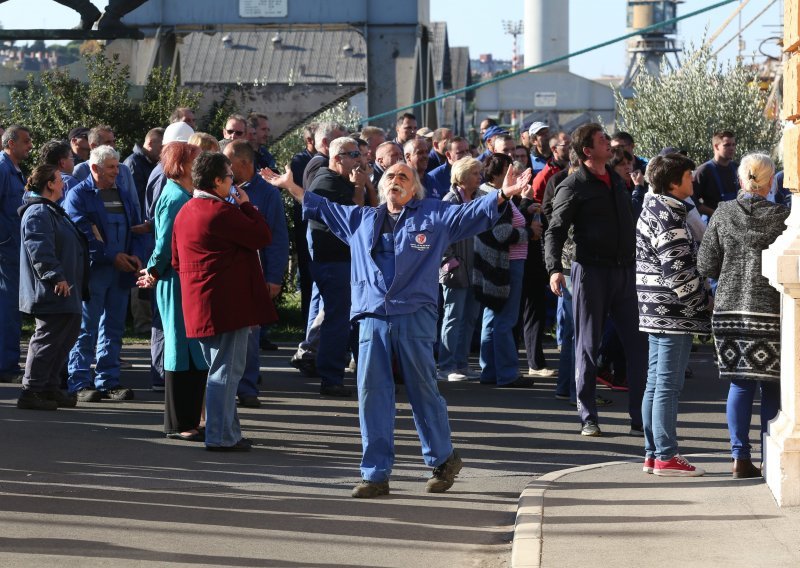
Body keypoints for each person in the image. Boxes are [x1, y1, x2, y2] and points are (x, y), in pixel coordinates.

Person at [262, 160, 531, 498]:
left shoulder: (434, 215)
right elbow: (324, 208)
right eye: (390, 176)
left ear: (414, 187)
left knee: (422, 389)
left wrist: (504, 193)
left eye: (404, 176)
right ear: (381, 184)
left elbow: (472, 213)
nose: (396, 181)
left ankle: (443, 459)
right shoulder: (361, 218)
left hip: (414, 313)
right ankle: (375, 474)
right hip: (372, 316)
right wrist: (292, 187)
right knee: (372, 393)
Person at [545, 123, 647, 437]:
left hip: (625, 272)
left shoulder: (616, 181)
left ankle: (640, 418)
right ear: (588, 150)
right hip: (590, 273)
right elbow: (555, 229)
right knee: (587, 346)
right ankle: (588, 416)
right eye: (603, 139)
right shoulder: (573, 185)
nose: (609, 143)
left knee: (638, 345)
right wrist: (553, 268)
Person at [172, 152, 276, 451]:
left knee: (220, 371)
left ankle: (228, 432)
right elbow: (261, 235)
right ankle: (221, 436)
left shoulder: (187, 210)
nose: (234, 183)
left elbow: (177, 260)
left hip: (200, 304)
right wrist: (246, 205)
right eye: (230, 177)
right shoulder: (220, 211)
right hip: (227, 305)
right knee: (226, 374)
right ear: (217, 181)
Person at [697, 153, 789, 479]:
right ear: (770, 182)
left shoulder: (722, 214)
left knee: (740, 383)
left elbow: (706, 264)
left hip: (729, 311)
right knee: (774, 388)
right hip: (772, 313)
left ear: (740, 179)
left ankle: (739, 457)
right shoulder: (783, 218)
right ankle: (770, 457)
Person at [636, 153, 712, 477]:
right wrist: (705, 302)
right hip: (673, 312)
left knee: (656, 383)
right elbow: (679, 274)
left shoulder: (654, 208)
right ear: (673, 182)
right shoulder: (668, 215)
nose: (692, 180)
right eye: (688, 176)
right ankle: (666, 455)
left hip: (658, 310)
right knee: (667, 384)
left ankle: (654, 453)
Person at [137, 142, 207, 441]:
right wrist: (153, 270)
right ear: (182, 163)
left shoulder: (182, 193)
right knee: (180, 347)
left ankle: (190, 419)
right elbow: (164, 243)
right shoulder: (175, 195)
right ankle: (181, 422)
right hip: (175, 282)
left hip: (182, 280)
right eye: (195, 158)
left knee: (189, 347)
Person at [65, 145, 146, 402]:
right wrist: (112, 257)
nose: (116, 171)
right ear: (95, 168)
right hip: (94, 273)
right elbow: (82, 233)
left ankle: (108, 380)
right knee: (86, 327)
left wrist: (135, 255)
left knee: (113, 327)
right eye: (111, 167)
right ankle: (79, 381)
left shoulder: (121, 193)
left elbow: (135, 228)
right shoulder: (78, 195)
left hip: (121, 274)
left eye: (117, 166)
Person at [16, 164, 89, 410]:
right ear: (49, 184)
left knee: (64, 337)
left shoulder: (52, 211)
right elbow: (40, 249)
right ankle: (31, 390)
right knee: (47, 338)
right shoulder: (38, 212)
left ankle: (49, 387)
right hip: (51, 289)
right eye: (59, 180)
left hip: (66, 289)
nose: (63, 184)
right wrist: (55, 276)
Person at [224, 139, 289, 406]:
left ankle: (247, 387)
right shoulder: (221, 188)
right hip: (226, 274)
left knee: (250, 335)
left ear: (244, 163)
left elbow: (277, 238)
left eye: (228, 161)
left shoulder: (267, 194)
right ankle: (227, 384)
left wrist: (274, 277)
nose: (224, 165)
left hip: (256, 275)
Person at [474, 154, 541, 387]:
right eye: (510, 170)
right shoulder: (495, 196)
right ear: (499, 173)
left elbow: (511, 220)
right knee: (505, 320)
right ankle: (507, 373)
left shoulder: (497, 196)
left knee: (493, 318)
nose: (514, 173)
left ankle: (490, 371)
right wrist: (530, 233)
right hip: (506, 264)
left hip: (499, 264)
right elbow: (502, 233)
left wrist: (524, 204)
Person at [437, 157, 483, 382]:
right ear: (462, 176)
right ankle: (446, 366)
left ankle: (462, 364)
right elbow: (440, 233)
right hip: (456, 267)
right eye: (475, 173)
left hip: (476, 266)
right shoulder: (450, 200)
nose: (479, 177)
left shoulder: (476, 198)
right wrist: (448, 259)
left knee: (470, 318)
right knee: (453, 316)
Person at [0, 125, 33, 384]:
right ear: (10, 143)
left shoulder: (16, 170)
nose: (29, 146)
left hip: (13, 248)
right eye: (25, 141)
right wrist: (6, 239)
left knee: (12, 308)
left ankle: (7, 362)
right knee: (8, 308)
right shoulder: (2, 168)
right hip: (6, 250)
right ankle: (6, 366)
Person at [692, 129, 739, 219]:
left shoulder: (738, 168)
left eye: (733, 144)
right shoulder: (703, 171)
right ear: (716, 146)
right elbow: (692, 201)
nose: (732, 148)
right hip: (713, 225)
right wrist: (713, 212)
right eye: (727, 145)